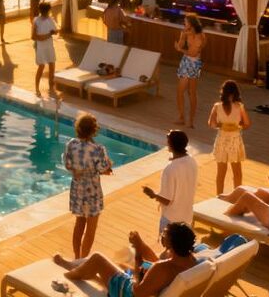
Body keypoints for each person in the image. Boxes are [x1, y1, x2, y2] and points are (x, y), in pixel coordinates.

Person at [53, 222, 198, 297]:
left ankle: (68, 273)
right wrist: (140, 245)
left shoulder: (163, 268)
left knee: (98, 258)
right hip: (152, 288)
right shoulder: (190, 260)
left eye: (165, 234)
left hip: (128, 293)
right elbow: (156, 264)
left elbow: (136, 292)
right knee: (119, 265)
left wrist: (138, 255)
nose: (162, 235)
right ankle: (84, 270)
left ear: (172, 243)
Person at [63, 112, 112, 258]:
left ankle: (76, 258)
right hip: (92, 192)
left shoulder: (71, 145)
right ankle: (83, 261)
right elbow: (104, 169)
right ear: (94, 130)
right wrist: (108, 167)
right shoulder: (98, 149)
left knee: (79, 223)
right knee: (91, 229)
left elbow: (68, 165)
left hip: (77, 190)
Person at [142, 130, 198, 232]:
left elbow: (166, 200)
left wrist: (153, 195)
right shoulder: (192, 161)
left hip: (171, 219)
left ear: (171, 144)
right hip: (187, 217)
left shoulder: (170, 169)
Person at [208, 80, 250, 195]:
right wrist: (237, 125)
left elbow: (211, 124)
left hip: (222, 140)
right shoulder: (239, 107)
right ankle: (237, 196)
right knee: (237, 173)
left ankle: (219, 196)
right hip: (234, 140)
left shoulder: (217, 106)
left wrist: (221, 125)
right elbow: (247, 123)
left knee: (221, 173)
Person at [175, 14, 206, 128]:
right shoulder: (186, 33)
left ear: (191, 24)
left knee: (191, 92)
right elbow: (180, 45)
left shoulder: (200, 36)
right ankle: (181, 117)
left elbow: (193, 53)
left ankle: (191, 120)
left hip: (193, 64)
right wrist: (182, 36)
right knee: (180, 91)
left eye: (186, 22)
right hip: (186, 61)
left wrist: (181, 50)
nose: (184, 24)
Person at [32, 1, 59, 99]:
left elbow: (56, 31)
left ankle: (51, 86)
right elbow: (34, 37)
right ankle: (37, 88)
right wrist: (49, 34)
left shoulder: (50, 19)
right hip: (41, 46)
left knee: (52, 64)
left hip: (49, 45)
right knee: (42, 66)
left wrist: (54, 32)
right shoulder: (36, 21)